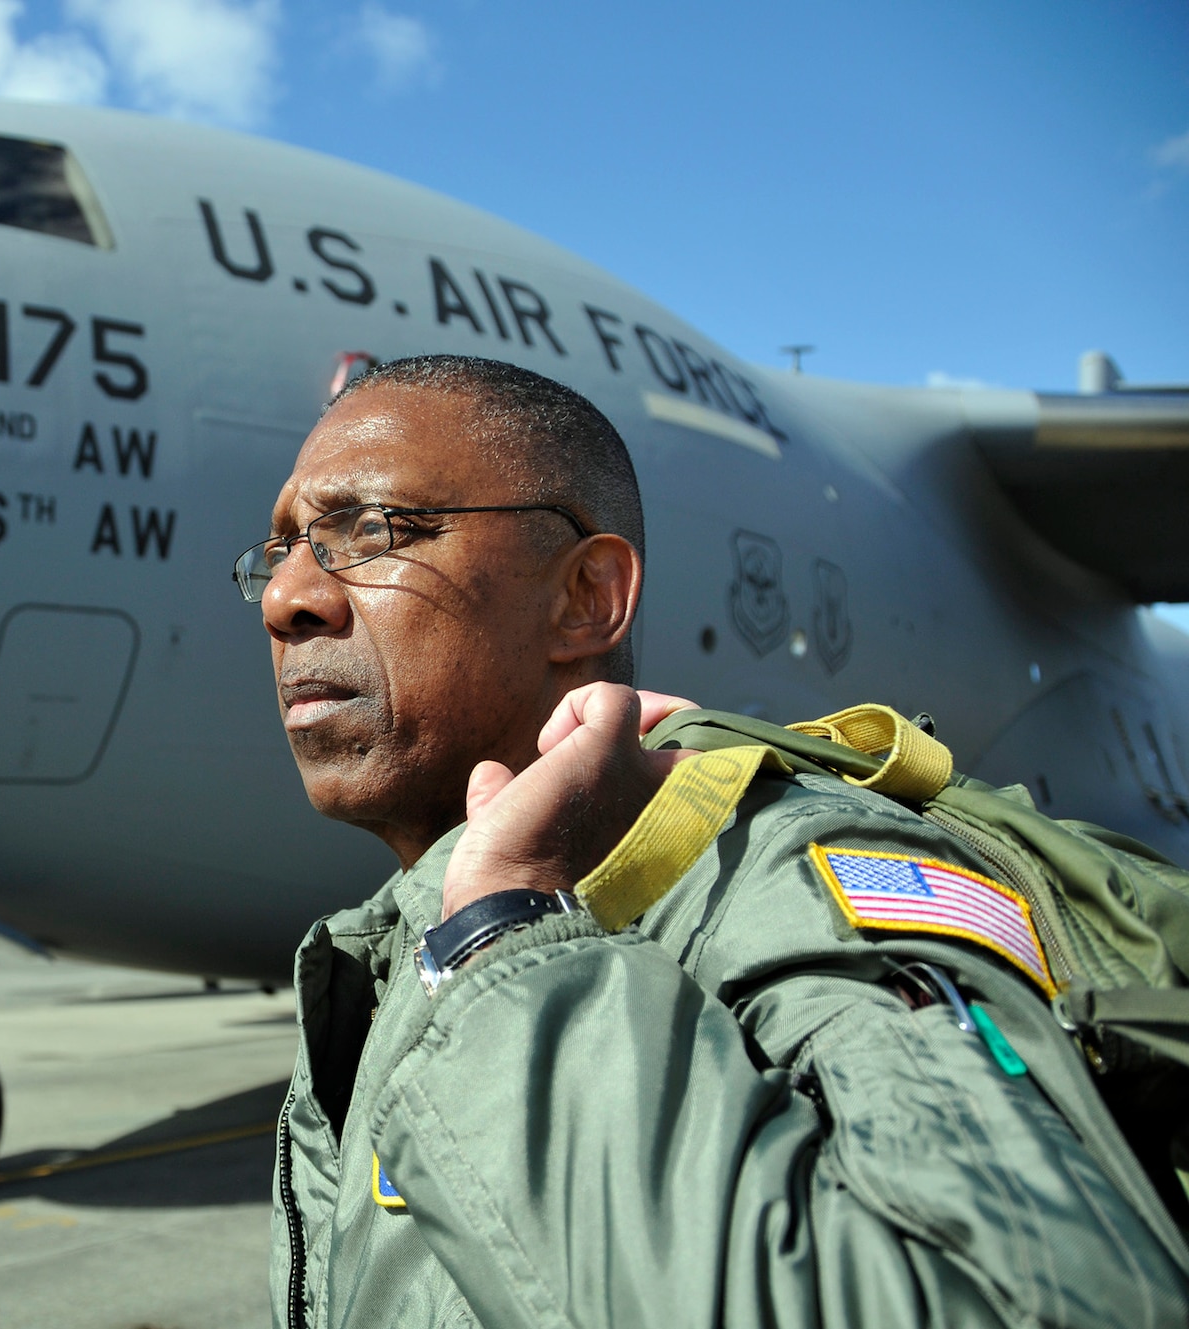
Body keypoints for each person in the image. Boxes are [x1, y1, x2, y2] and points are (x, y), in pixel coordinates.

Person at [235, 354, 1189, 1328]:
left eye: (370, 530)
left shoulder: (769, 885)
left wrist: (506, 954)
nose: (285, 600)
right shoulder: (387, 954)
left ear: (586, 596)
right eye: (277, 552)